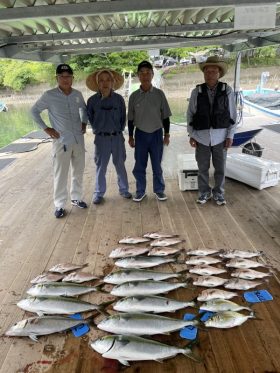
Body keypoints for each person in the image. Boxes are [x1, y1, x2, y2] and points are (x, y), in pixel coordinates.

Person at [31, 64, 88, 218]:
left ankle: (76, 198)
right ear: (56, 78)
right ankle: (60, 205)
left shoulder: (77, 94)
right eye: (62, 76)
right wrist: (46, 128)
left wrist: (84, 123)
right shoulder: (49, 95)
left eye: (68, 76)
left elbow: (84, 109)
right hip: (61, 141)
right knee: (60, 174)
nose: (65, 79)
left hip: (78, 139)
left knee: (78, 171)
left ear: (72, 78)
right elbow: (34, 111)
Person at [187, 55, 237, 206]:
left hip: (221, 137)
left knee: (220, 168)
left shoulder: (227, 90)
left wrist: (230, 135)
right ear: (204, 73)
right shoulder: (197, 91)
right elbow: (190, 114)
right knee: (202, 168)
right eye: (207, 71)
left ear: (219, 73)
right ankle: (204, 192)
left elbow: (233, 115)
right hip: (201, 137)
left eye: (213, 71)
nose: (210, 74)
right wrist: (191, 134)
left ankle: (219, 193)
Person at [128, 60, 172, 202]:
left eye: (148, 73)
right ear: (138, 76)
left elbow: (165, 116)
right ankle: (140, 191)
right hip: (140, 134)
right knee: (139, 165)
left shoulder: (159, 94)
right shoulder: (133, 96)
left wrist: (167, 134)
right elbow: (130, 119)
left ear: (152, 75)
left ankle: (159, 190)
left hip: (156, 134)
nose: (145, 76)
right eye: (142, 73)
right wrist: (130, 136)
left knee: (157, 165)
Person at [86, 69, 131, 204]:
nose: (105, 83)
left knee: (120, 165)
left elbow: (124, 118)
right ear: (97, 83)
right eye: (101, 80)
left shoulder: (119, 99)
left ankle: (124, 190)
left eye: (108, 80)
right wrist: (99, 130)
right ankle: (98, 193)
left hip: (117, 137)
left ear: (113, 82)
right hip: (101, 139)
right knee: (101, 167)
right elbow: (90, 119)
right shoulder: (92, 101)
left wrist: (118, 132)